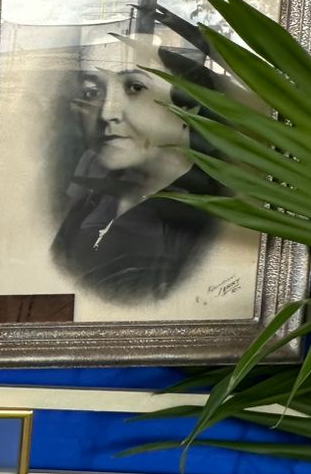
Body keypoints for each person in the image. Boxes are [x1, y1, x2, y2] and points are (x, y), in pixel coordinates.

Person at [50, 18, 222, 302]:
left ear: (189, 104)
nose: (107, 113)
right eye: (93, 92)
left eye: (135, 87)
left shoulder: (206, 221)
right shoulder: (97, 195)